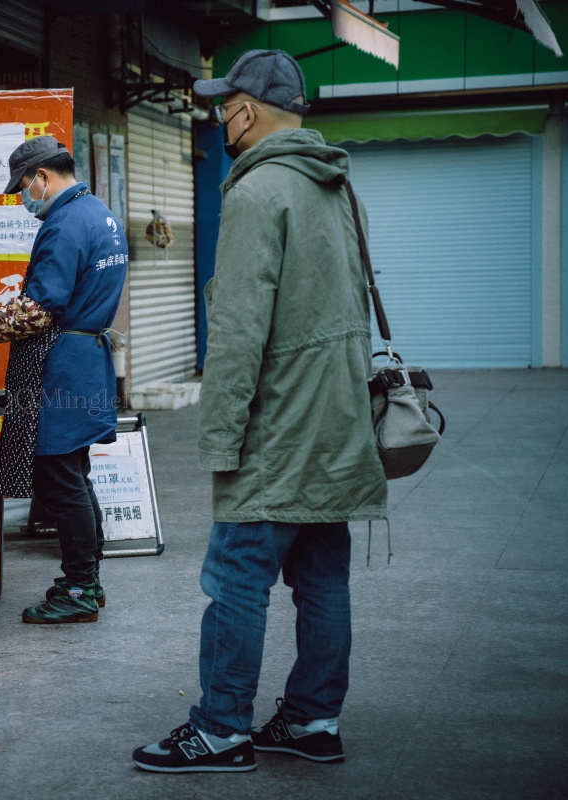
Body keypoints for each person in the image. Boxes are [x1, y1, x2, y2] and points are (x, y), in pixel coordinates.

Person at [132, 50, 387, 773]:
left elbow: (241, 330)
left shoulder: (256, 192)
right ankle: (311, 721)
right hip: (335, 421)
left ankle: (220, 729)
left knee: (237, 576)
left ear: (246, 110)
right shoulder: (338, 186)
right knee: (321, 577)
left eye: (224, 105)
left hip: (275, 428)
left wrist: (221, 440)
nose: (220, 119)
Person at [0, 136, 128, 624]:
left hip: (61, 366)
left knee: (60, 480)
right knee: (75, 473)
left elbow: (37, 309)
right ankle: (87, 580)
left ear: (43, 177)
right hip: (87, 357)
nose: (24, 198)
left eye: (24, 188)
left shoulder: (64, 223)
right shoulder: (100, 213)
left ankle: (78, 586)